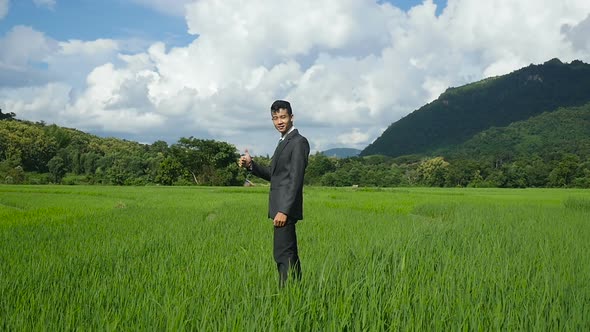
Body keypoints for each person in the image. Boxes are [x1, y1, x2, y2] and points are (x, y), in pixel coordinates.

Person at [239, 100, 310, 287]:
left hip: (284, 210)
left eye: (283, 117)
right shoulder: (283, 141)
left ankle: (288, 295)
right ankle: (295, 291)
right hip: (280, 209)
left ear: (291, 117)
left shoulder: (298, 142)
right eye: (275, 118)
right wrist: (251, 165)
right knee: (286, 253)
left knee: (283, 254)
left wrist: (284, 210)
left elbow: (295, 180)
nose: (279, 121)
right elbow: (274, 175)